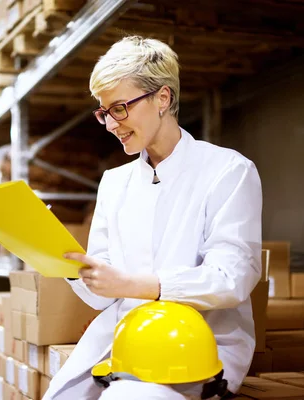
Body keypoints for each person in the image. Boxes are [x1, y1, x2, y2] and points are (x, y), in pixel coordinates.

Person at [42, 35, 262, 400]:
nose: (111, 124)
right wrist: (63, 262)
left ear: (163, 98)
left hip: (194, 346)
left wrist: (137, 286)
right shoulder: (114, 183)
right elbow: (102, 297)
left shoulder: (228, 171)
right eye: (104, 112)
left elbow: (232, 278)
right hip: (125, 335)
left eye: (119, 108)